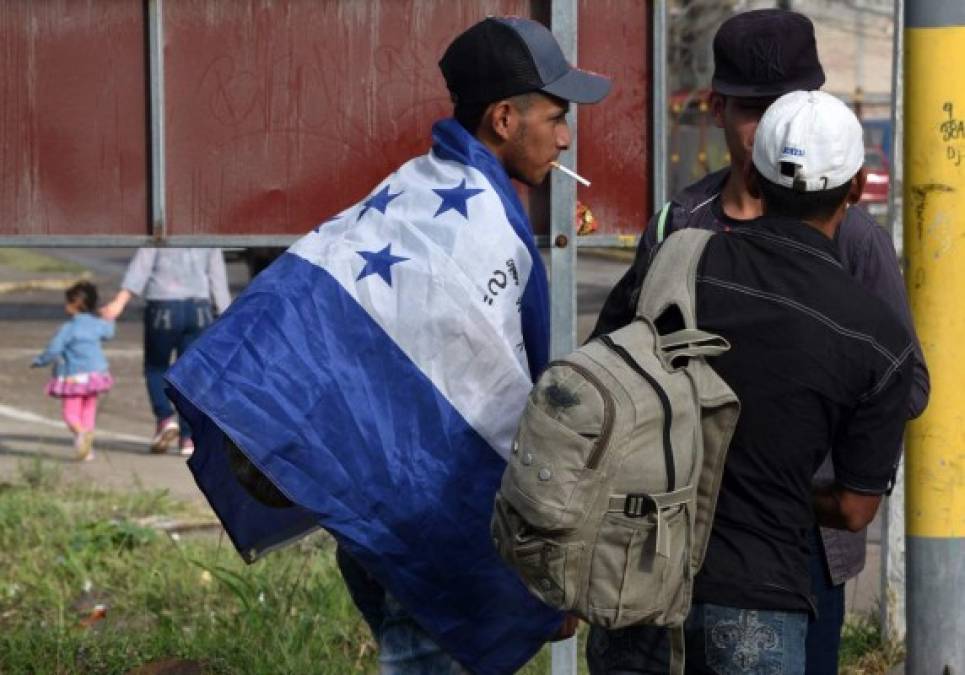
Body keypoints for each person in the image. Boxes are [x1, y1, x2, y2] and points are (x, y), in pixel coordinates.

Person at [161, 16, 610, 674]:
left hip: (378, 528)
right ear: (505, 119)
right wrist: (540, 572)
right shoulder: (480, 231)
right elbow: (497, 417)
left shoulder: (412, 186)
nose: (566, 139)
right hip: (429, 532)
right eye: (555, 116)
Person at [592, 10, 929, 673]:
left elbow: (901, 381)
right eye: (754, 109)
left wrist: (780, 454)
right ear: (717, 106)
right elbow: (617, 359)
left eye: (785, 105)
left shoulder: (852, 237)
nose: (774, 127)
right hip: (664, 526)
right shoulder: (681, 224)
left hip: (804, 542)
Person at [100, 248, 231, 457]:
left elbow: (140, 268)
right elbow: (218, 278)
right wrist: (226, 315)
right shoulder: (206, 231)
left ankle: (165, 418)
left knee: (155, 367)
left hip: (163, 305)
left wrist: (119, 302)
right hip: (199, 308)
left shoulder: (161, 230)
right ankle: (188, 437)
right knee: (190, 376)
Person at [32, 281, 115, 461]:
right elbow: (109, 333)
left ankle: (80, 434)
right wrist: (109, 317)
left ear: (76, 304)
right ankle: (86, 448)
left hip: (73, 377)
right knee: (88, 410)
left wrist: (40, 361)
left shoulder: (68, 328)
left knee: (70, 413)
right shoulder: (97, 324)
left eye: (67, 302)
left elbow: (53, 350)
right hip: (95, 376)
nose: (65, 306)